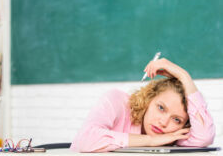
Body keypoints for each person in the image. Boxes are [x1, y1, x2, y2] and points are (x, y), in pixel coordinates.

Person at [70, 58, 215, 152]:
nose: (164, 122)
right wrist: (151, 141)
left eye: (176, 119)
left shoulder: (173, 135)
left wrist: (184, 76)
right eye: (161, 108)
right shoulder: (116, 101)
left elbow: (204, 137)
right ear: (149, 98)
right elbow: (85, 140)